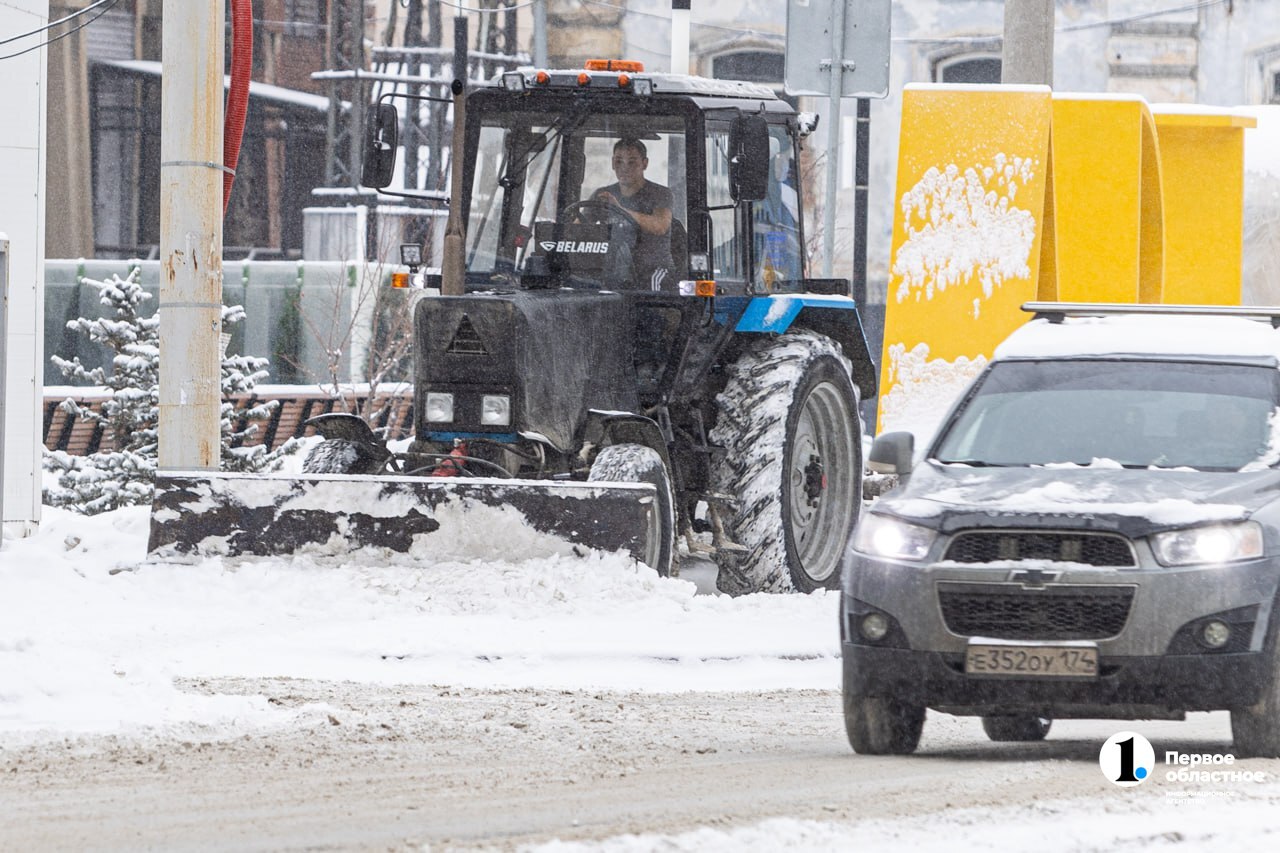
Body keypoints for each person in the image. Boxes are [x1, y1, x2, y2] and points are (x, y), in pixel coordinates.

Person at [590, 138, 674, 290]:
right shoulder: (602, 195)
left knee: (651, 295)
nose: (624, 168)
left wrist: (620, 209)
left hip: (653, 271)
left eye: (632, 162)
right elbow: (576, 229)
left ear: (645, 163)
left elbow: (660, 226)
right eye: (619, 161)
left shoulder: (660, 194)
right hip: (612, 271)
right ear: (612, 163)